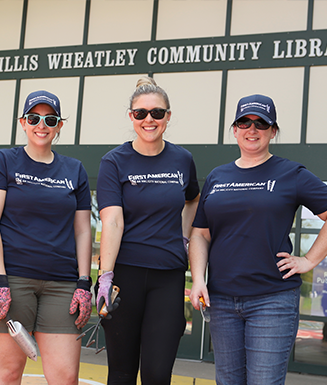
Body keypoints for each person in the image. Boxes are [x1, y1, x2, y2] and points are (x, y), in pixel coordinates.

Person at [188, 94, 327, 385]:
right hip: (222, 300)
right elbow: (201, 233)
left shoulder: (291, 173)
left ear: (273, 131)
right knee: (228, 381)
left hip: (272, 301)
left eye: (261, 123)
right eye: (244, 122)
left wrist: (309, 259)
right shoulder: (217, 176)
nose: (252, 129)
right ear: (235, 129)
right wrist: (198, 278)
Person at [0, 90, 92, 385]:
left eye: (50, 119)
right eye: (34, 118)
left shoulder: (74, 170)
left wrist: (83, 282)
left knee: (66, 377)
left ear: (59, 125)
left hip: (62, 284)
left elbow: (82, 230)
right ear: (23, 122)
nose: (42, 124)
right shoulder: (3, 160)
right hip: (12, 280)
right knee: (9, 373)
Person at [96, 77, 200, 384]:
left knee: (157, 374)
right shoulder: (114, 162)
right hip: (125, 276)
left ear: (168, 116)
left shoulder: (183, 159)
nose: (149, 120)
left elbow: (193, 199)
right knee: (122, 373)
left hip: (167, 276)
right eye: (140, 113)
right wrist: (105, 276)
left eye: (157, 113)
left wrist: (183, 236)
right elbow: (113, 221)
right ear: (131, 117)